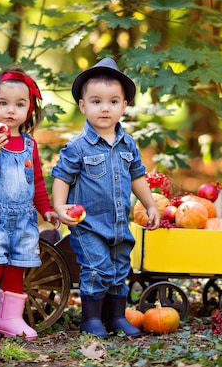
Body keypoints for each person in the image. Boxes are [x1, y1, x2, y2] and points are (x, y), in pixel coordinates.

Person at [51, 58, 161, 338]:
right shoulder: (77, 147)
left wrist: (150, 204)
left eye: (113, 102)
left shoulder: (128, 144)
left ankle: (115, 316)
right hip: (89, 225)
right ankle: (91, 319)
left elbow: (137, 177)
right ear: (83, 105)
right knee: (96, 268)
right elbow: (62, 176)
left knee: (119, 268)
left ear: (124, 106)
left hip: (119, 224)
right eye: (96, 101)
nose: (105, 108)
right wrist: (60, 206)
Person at [0, 68, 60, 344]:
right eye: (3, 103)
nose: (11, 111)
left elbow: (37, 183)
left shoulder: (30, 145)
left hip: (23, 220)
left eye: (20, 105)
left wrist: (46, 209)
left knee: (16, 269)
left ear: (29, 110)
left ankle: (8, 319)